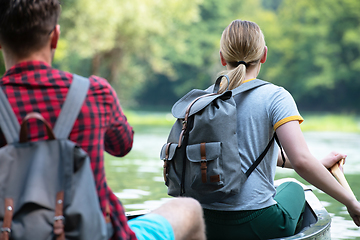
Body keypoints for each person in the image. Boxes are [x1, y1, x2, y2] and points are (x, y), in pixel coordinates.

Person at [0, 1, 206, 240]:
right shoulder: (94, 92)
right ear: (55, 36)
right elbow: (123, 145)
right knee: (188, 208)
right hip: (96, 234)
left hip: (10, 232)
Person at [201, 19, 360, 240]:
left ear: (222, 57)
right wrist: (351, 202)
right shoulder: (276, 97)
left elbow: (238, 153)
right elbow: (302, 162)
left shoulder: (201, 101)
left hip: (204, 222)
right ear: (264, 55)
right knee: (294, 187)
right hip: (256, 223)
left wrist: (318, 163)